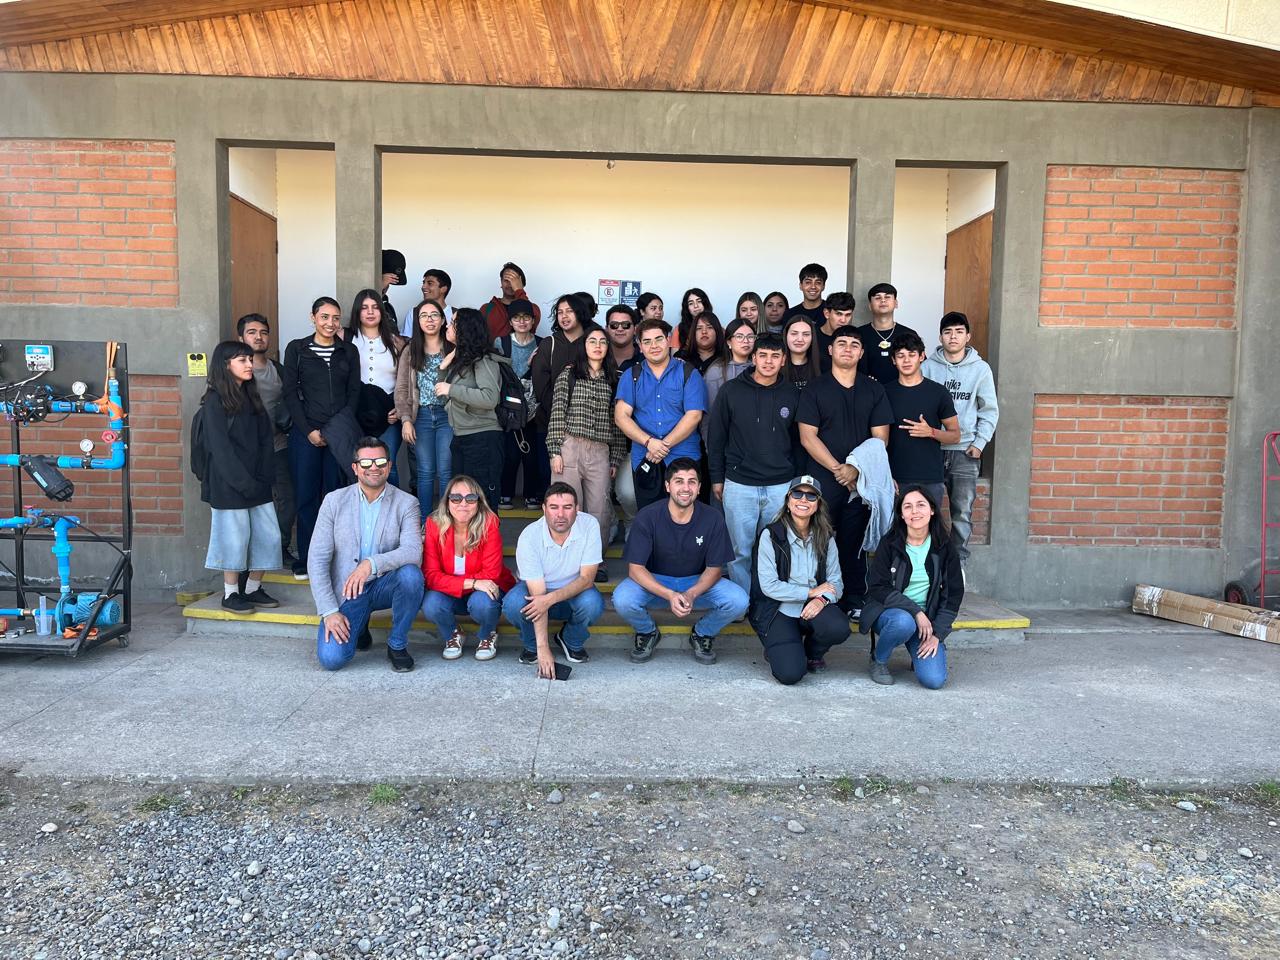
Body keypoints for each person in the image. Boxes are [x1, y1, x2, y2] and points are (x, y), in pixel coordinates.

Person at [613, 458, 748, 664]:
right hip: (656, 583)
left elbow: (714, 570)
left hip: (696, 583)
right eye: (679, 481)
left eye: (691, 481)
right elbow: (635, 569)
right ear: (667, 486)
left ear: (699, 487)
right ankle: (647, 632)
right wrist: (670, 594)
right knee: (622, 598)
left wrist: (690, 594)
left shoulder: (713, 518)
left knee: (739, 600)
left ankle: (702, 633)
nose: (686, 488)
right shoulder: (648, 516)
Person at [797, 326, 893, 616]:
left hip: (860, 483)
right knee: (817, 540)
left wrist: (855, 469)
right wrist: (840, 469)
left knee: (854, 543)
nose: (848, 349)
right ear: (830, 349)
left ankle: (853, 599)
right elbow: (807, 436)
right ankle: (817, 597)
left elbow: (880, 439)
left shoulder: (874, 389)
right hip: (822, 480)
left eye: (854, 344)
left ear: (862, 353)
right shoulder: (815, 388)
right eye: (841, 343)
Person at [309, 437, 424, 672]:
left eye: (381, 461)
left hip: (384, 584)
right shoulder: (333, 501)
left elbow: (413, 552)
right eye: (366, 462)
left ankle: (397, 644)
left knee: (411, 576)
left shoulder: (407, 503)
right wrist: (330, 611)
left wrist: (370, 564)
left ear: (389, 466)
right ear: (355, 467)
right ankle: (359, 627)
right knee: (331, 659)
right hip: (348, 590)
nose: (374, 467)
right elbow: (317, 559)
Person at [708, 333, 798, 591]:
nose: (769, 361)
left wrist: (795, 482)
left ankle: (767, 600)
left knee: (776, 548)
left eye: (775, 356)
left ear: (783, 360)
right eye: (763, 355)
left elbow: (799, 442)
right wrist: (717, 477)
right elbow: (716, 437)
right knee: (739, 551)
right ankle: (742, 600)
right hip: (739, 483)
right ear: (754, 358)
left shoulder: (792, 394)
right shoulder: (731, 391)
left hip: (780, 485)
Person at [198, 341, 283, 613]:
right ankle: (230, 593)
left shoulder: (251, 395)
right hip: (229, 484)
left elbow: (264, 441)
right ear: (225, 365)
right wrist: (242, 482)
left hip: (257, 482)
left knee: (268, 536)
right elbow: (219, 449)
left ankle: (253, 588)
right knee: (233, 539)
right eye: (242, 360)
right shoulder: (214, 401)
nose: (249, 364)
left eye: (249, 359)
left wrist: (262, 477)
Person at [283, 296, 360, 579]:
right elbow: (290, 393)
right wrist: (309, 431)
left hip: (339, 433)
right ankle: (307, 558)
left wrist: (337, 428)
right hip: (306, 433)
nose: (330, 323)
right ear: (313, 317)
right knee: (306, 496)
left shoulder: (348, 351)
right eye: (325, 317)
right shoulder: (297, 349)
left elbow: (354, 393)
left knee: (336, 496)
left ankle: (335, 558)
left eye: (335, 318)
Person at [861, 486, 963, 689]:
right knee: (903, 622)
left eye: (920, 505)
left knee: (934, 680)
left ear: (932, 510)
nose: (914, 511)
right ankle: (878, 660)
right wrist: (916, 612)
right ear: (901, 514)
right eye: (908, 506)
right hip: (889, 614)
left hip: (927, 623)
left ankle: (917, 651)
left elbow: (953, 595)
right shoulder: (890, 543)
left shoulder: (944, 547)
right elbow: (877, 588)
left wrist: (937, 635)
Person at [751, 475, 850, 684]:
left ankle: (812, 653)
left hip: (812, 608)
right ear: (788, 500)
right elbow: (769, 586)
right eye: (797, 494)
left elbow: (836, 583)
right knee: (790, 674)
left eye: (811, 496)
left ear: (818, 505)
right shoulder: (770, 535)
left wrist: (821, 599)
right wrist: (809, 592)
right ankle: (782, 648)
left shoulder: (827, 537)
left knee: (838, 627)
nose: (803, 500)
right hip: (779, 610)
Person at [502, 482, 606, 677]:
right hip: (537, 591)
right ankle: (532, 645)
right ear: (543, 509)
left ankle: (570, 639)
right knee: (513, 603)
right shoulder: (529, 536)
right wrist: (543, 648)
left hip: (574, 590)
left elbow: (587, 580)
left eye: (567, 507)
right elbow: (537, 594)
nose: (560, 514)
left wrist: (549, 600)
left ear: (577, 509)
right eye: (553, 507)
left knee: (593, 603)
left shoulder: (589, 524)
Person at [922, 312, 999, 566]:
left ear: (968, 336)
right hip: (931, 448)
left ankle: (958, 566)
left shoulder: (980, 369)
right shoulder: (928, 367)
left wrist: (979, 444)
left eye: (958, 331)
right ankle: (928, 565)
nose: (953, 336)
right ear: (940, 336)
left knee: (962, 513)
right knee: (925, 511)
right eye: (947, 332)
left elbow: (989, 410)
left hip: (965, 452)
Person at [546, 325, 627, 565]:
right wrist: (554, 450)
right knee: (566, 506)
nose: (598, 346)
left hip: (600, 451)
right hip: (569, 447)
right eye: (592, 341)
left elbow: (618, 421)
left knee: (599, 510)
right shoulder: (569, 374)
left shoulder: (615, 378)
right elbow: (557, 412)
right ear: (584, 346)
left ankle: (594, 562)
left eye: (603, 342)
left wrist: (616, 457)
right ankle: (565, 560)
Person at [614, 317, 707, 511]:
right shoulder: (632, 375)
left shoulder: (689, 373)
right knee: (649, 514)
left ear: (668, 340)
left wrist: (663, 446)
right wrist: (650, 442)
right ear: (640, 346)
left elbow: (694, 416)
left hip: (684, 455)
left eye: (658, 339)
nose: (653, 345)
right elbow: (621, 416)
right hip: (645, 456)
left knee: (685, 512)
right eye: (647, 341)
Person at [421, 474, 516, 661]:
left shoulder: (489, 523)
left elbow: (491, 574)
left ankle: (488, 634)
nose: (463, 503)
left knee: (483, 603)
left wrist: (466, 584)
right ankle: (453, 634)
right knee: (431, 603)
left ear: (478, 502)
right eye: (456, 498)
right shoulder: (434, 525)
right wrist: (472, 583)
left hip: (485, 591)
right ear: (447, 501)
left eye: (470, 498)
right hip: (456, 592)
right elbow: (430, 575)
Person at [237, 313, 295, 568]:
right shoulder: (235, 371)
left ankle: (279, 549)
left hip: (279, 446)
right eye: (252, 332)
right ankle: (248, 557)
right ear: (241, 338)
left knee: (286, 499)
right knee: (249, 503)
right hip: (246, 451)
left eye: (263, 332)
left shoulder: (278, 369)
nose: (258, 337)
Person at [436, 308, 507, 511]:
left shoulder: (484, 360)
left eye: (452, 323)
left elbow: (489, 398)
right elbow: (442, 395)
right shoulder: (460, 359)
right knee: (463, 504)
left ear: (464, 329)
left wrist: (452, 388)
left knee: (483, 502)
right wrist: (443, 369)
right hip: (461, 437)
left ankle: (487, 543)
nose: (447, 326)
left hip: (483, 439)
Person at [881, 331, 961, 507]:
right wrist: (885, 475)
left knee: (930, 531)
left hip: (930, 478)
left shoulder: (938, 393)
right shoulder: (883, 393)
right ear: (893, 360)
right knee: (895, 532)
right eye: (900, 356)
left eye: (912, 354)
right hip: (894, 478)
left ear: (922, 356)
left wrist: (931, 431)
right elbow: (877, 440)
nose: (906, 360)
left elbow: (955, 436)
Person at [528, 294, 589, 498]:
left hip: (585, 428)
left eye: (569, 311)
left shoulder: (593, 341)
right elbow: (541, 387)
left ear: (580, 313)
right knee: (551, 482)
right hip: (549, 425)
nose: (564, 316)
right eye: (560, 312)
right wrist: (560, 415)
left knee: (585, 489)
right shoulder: (549, 344)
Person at [395, 299, 454, 510]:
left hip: (448, 415)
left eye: (434, 315)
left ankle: (448, 519)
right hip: (421, 416)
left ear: (443, 320)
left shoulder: (452, 349)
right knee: (425, 471)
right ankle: (424, 523)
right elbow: (402, 389)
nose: (429, 319)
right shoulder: (410, 350)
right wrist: (405, 420)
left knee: (447, 470)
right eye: (424, 315)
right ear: (417, 321)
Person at [347, 288, 406, 488]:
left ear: (382, 311)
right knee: (358, 468)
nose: (370, 312)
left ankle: (394, 515)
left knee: (388, 467)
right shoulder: (346, 338)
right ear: (357, 312)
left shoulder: (397, 342)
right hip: (356, 414)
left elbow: (406, 380)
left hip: (389, 415)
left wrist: (400, 408)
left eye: (375, 307)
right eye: (364, 308)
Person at [496, 298, 549, 509]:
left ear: (533, 320)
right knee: (509, 454)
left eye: (526, 317)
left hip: (535, 408)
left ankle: (531, 495)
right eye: (517, 318)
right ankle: (505, 493)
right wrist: (528, 365)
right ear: (510, 321)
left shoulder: (542, 343)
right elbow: (498, 372)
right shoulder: (501, 343)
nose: (522, 322)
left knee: (531, 456)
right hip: (509, 408)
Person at [856, 282, 918, 386]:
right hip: (867, 393)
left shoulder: (909, 334)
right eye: (877, 297)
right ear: (870, 306)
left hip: (901, 392)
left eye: (887, 297)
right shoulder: (859, 334)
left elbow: (919, 366)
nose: (883, 300)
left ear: (896, 303)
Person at [701, 318, 755, 431]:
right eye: (739, 336)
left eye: (750, 337)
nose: (746, 341)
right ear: (729, 342)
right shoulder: (716, 371)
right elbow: (709, 415)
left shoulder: (761, 368)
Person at [480, 261, 540, 340]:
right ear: (501, 282)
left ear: (521, 284)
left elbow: (532, 321)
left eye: (514, 280)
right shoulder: (486, 308)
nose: (510, 284)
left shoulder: (533, 308)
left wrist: (518, 290)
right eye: (506, 280)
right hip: (493, 352)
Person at [400, 268, 453, 334]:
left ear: (443, 289)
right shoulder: (414, 313)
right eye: (423, 283)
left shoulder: (455, 315)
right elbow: (406, 341)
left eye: (430, 283)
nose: (423, 287)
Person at [814, 290, 856, 372]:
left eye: (848, 315)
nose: (843, 320)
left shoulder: (855, 339)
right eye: (839, 314)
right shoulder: (812, 337)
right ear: (827, 313)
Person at [678, 310, 726, 376]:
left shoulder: (726, 358)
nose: (704, 331)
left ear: (717, 332)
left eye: (709, 327)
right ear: (693, 333)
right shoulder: (681, 358)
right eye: (699, 328)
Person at [781, 315, 822, 390]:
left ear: (812, 337)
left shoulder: (823, 365)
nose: (800, 339)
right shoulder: (775, 365)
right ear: (786, 335)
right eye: (794, 333)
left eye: (806, 334)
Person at [604, 303, 640, 371]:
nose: (620, 329)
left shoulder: (646, 359)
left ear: (635, 329)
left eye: (626, 325)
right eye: (614, 325)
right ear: (606, 329)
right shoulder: (596, 356)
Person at [674, 287, 711, 351]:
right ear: (687, 308)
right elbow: (675, 357)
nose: (696, 306)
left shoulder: (716, 326)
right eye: (691, 303)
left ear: (705, 304)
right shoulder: (679, 329)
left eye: (699, 301)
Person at [379, 249, 407, 328]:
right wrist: (379, 288)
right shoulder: (363, 304)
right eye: (383, 282)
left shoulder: (388, 308)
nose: (385, 287)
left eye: (388, 284)